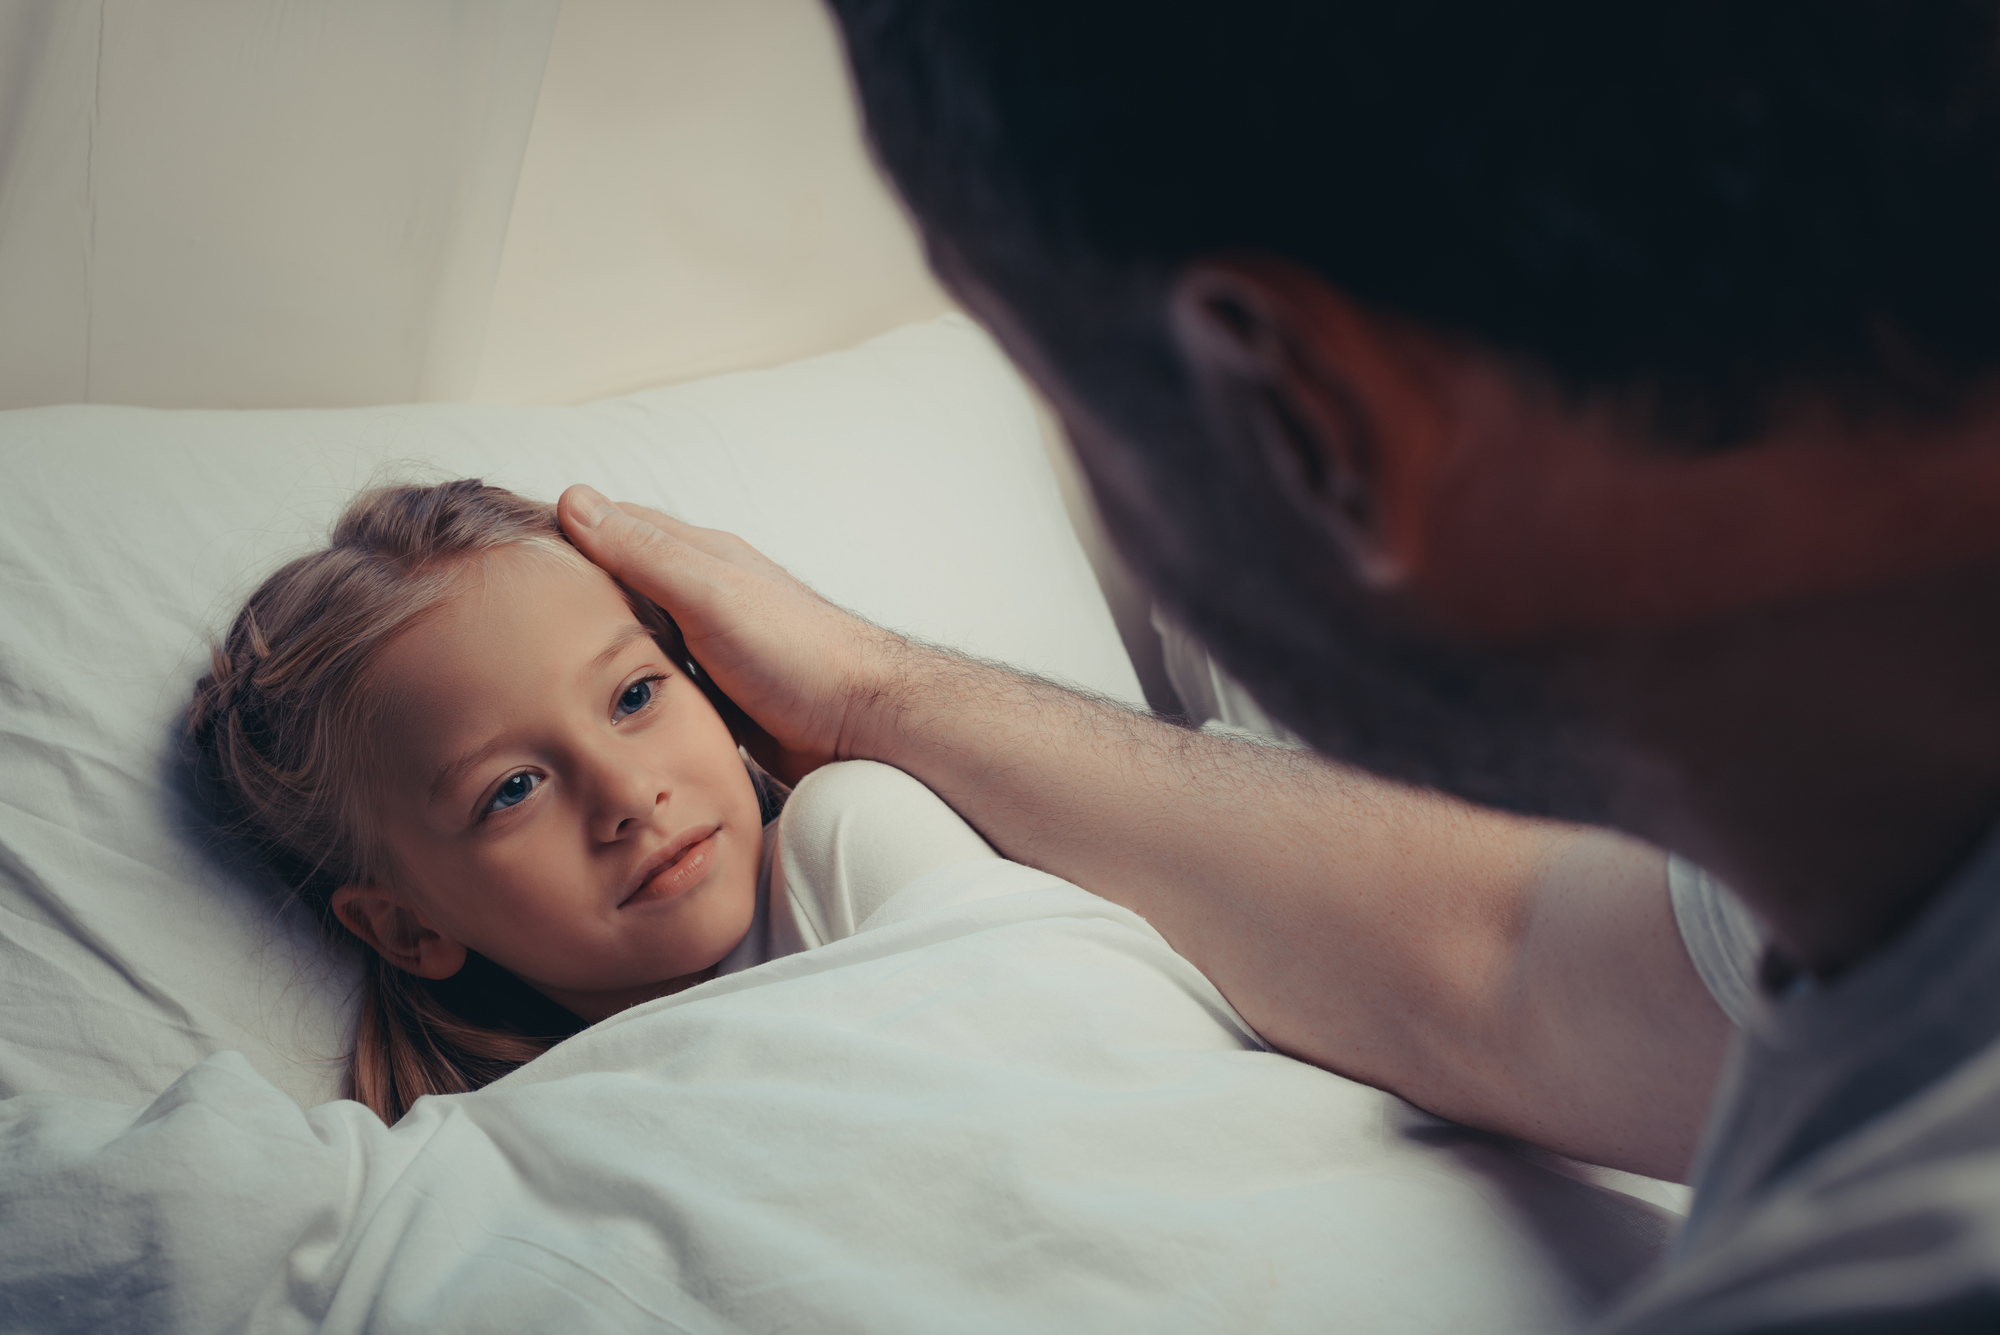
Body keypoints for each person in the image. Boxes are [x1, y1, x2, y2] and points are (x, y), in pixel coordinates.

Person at [548, 3, 2000, 1330]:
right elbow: (1498, 955)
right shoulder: (1878, 810)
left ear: (1305, 423)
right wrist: (872, 688)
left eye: (1068, 410)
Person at [186, 479, 998, 1123]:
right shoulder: (494, 1154)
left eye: (636, 695)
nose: (629, 796)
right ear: (408, 925)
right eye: (511, 790)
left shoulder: (849, 844)